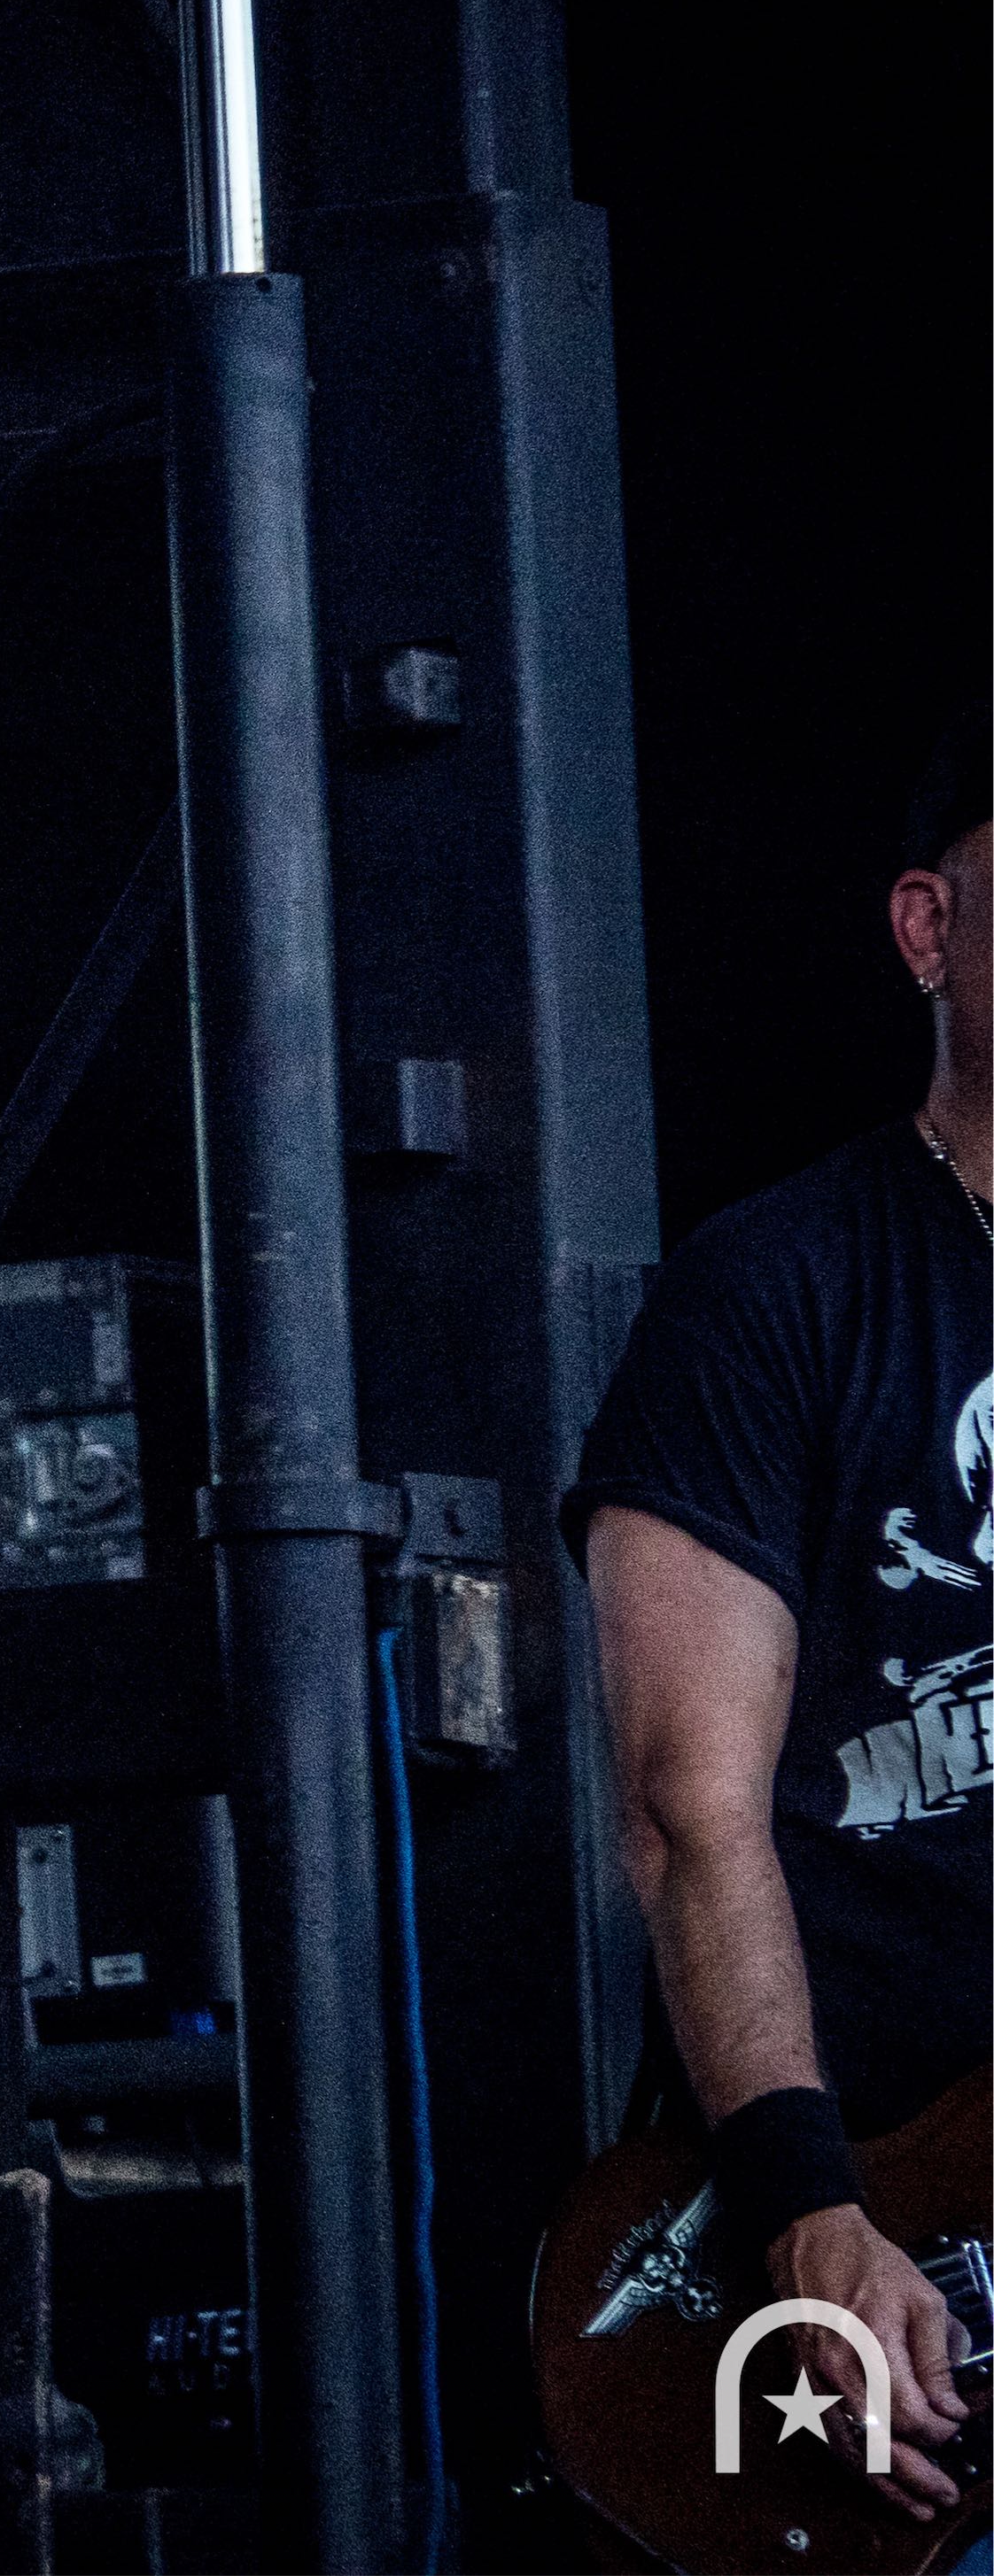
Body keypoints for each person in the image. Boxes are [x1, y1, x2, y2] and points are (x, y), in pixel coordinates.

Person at [567, 712, 991, 2527]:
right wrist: (812, 2202)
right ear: (926, 928)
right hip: (884, 2251)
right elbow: (685, 1804)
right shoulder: (774, 1294)